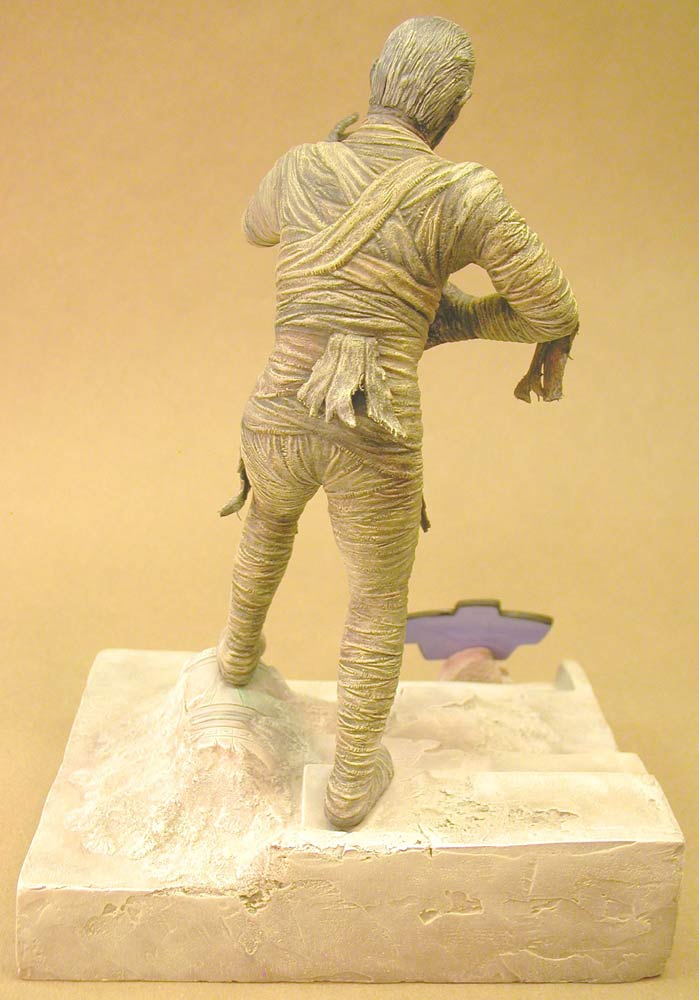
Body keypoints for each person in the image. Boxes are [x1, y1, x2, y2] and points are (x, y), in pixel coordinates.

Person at [217, 16, 579, 830]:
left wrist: (326, 171)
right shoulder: (464, 194)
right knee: (376, 600)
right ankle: (351, 780)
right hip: (374, 426)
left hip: (280, 406)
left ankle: (236, 658)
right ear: (452, 110)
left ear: (377, 78)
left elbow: (254, 226)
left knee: (266, 521)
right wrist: (449, 319)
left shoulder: (301, 165)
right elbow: (550, 311)